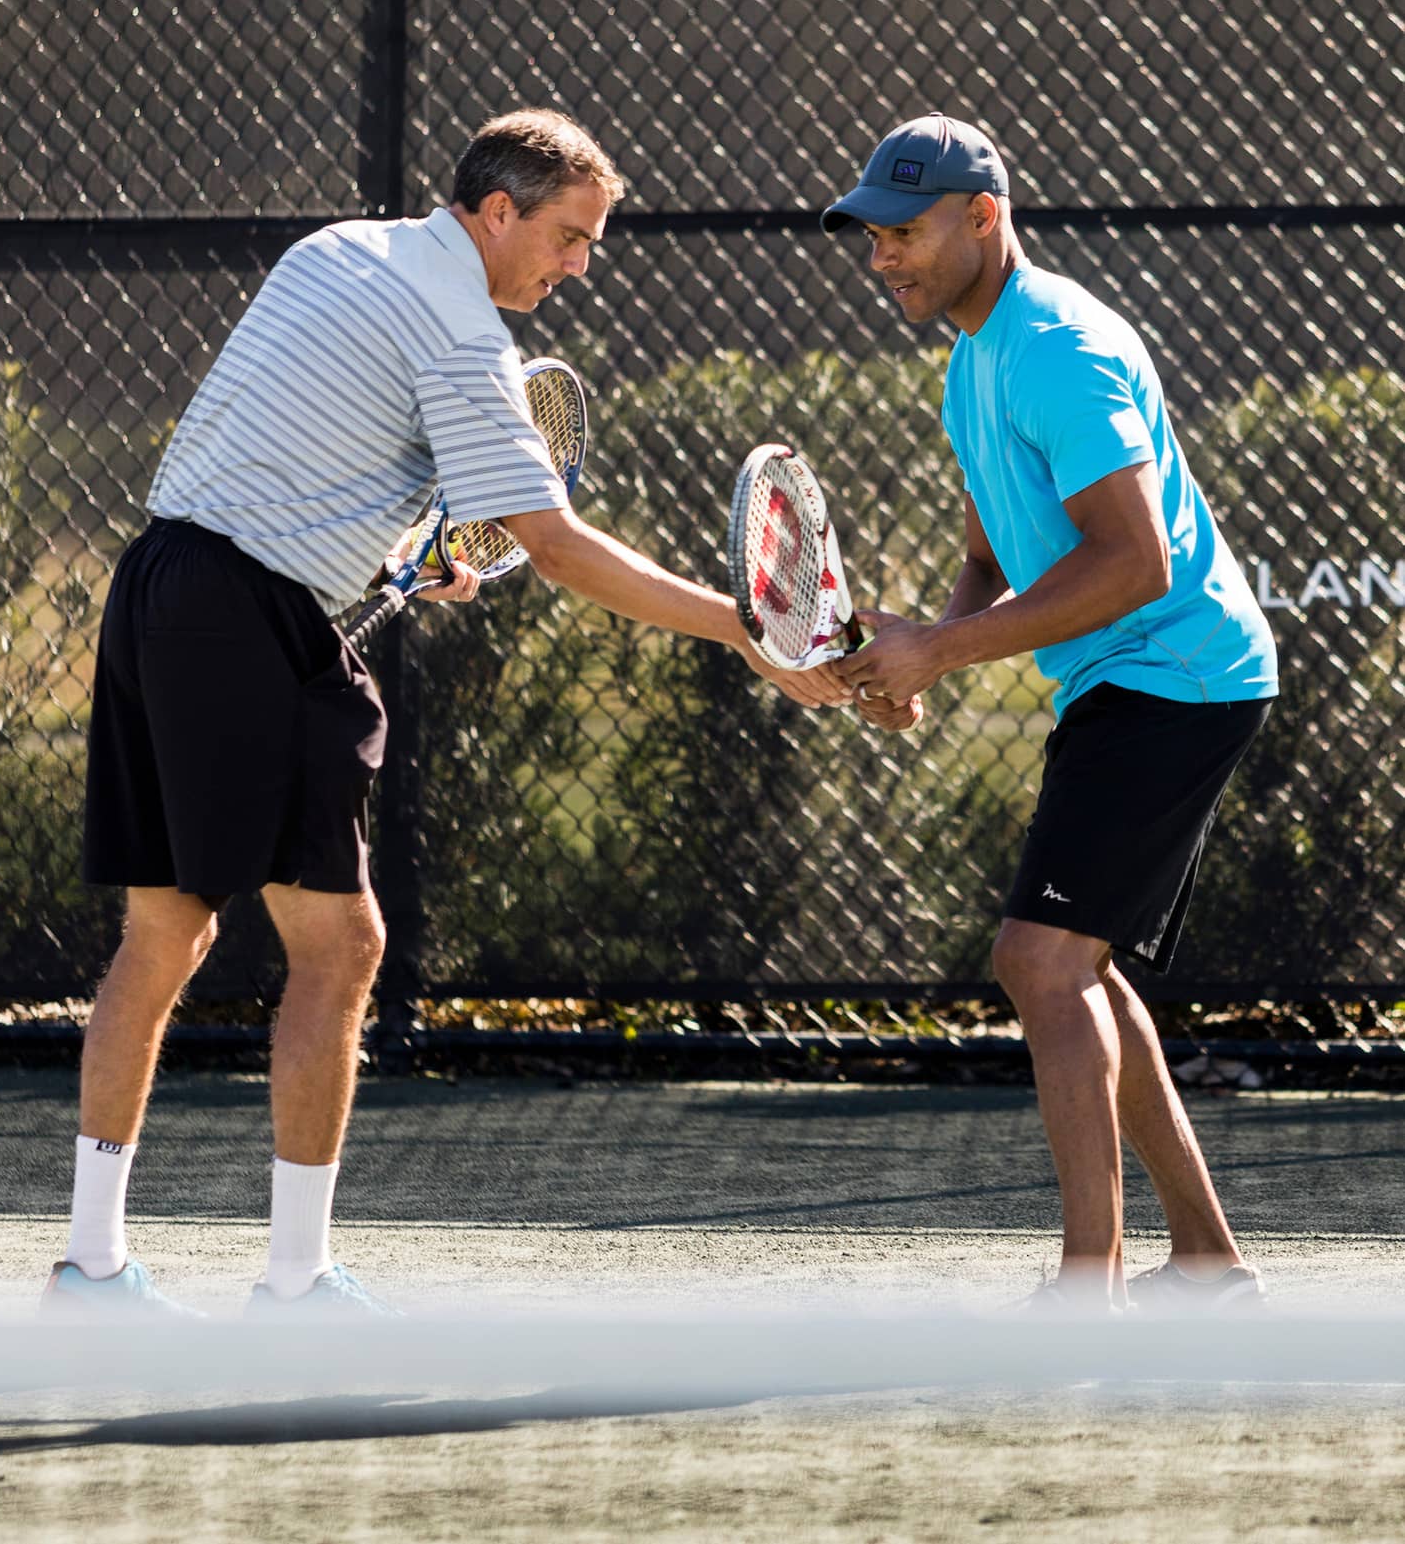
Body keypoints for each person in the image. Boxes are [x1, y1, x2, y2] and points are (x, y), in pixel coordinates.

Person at [49, 108, 844, 1317]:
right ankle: (298, 1282)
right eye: (569, 237)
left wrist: (389, 558)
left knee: (165, 935)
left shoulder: (334, 249)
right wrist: (752, 629)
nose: (579, 266)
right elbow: (558, 548)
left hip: (158, 585)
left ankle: (91, 1270)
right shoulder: (465, 332)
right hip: (251, 621)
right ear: (495, 213)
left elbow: (297, 443)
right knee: (344, 945)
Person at [822, 114, 1278, 1314]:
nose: (884, 257)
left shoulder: (1060, 347)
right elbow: (993, 549)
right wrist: (926, 649)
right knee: (1080, 967)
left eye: (904, 231)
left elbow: (1132, 562)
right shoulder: (973, 359)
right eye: (872, 235)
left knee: (1038, 958)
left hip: (1175, 669)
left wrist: (946, 647)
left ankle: (1091, 1288)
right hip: (1124, 677)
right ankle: (1208, 1262)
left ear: (983, 216)